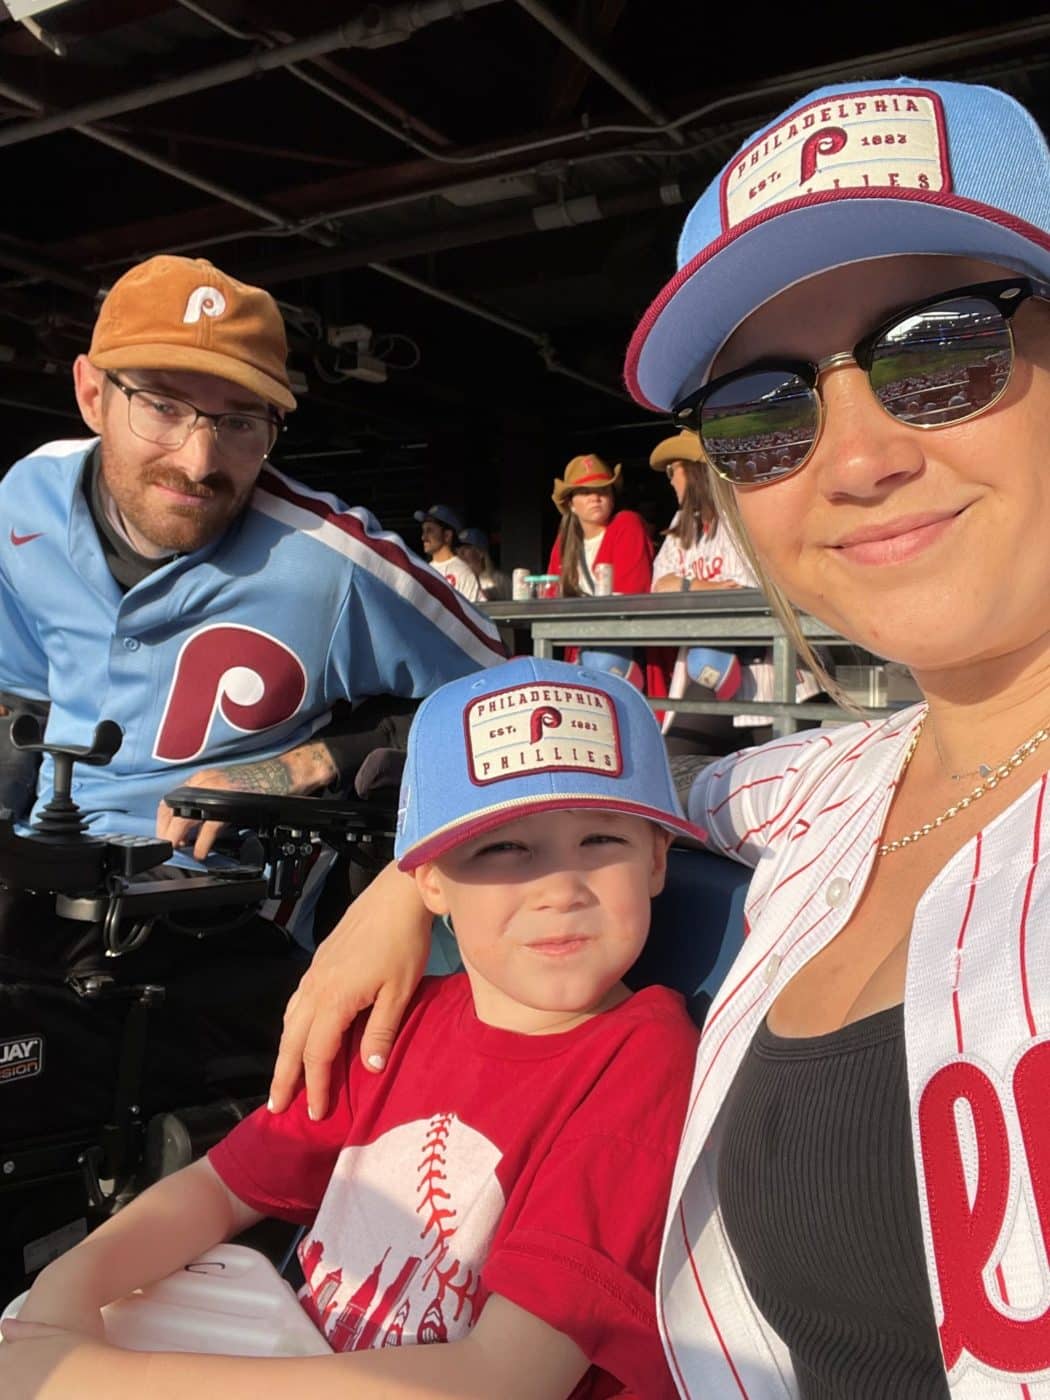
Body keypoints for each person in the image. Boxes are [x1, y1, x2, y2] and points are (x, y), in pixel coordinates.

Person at [261, 75, 1050, 1397]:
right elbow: (624, 786)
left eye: (937, 347)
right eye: (759, 410)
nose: (850, 460)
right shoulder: (818, 783)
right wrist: (408, 885)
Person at [0, 656, 702, 1400]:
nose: (560, 888)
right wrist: (62, 1294)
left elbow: (506, 1377)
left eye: (602, 841)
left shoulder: (641, 1059)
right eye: (503, 848)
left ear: (657, 858)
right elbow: (221, 1187)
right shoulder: (398, 1023)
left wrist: (102, 1379)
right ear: (426, 879)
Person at [0, 255, 503, 942]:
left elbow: (507, 700)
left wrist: (300, 765)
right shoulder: (23, 499)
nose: (199, 460)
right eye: (163, 405)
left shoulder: (334, 564)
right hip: (37, 875)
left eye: (240, 422)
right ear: (92, 395)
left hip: (214, 919)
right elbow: (21, 701)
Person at [649, 430, 823, 751]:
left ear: (694, 470)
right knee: (675, 756)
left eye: (674, 470)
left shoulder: (743, 512)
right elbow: (659, 586)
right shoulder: (683, 522)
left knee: (779, 779)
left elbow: (748, 590)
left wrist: (688, 586)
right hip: (710, 670)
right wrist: (701, 586)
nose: (671, 480)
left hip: (775, 671)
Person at [547, 454, 654, 598]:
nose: (595, 498)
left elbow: (631, 594)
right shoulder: (564, 541)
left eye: (603, 490)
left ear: (612, 499)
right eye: (585, 492)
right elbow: (551, 595)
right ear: (571, 504)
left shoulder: (627, 524)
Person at [414, 502, 483, 602]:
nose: (423, 537)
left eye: (430, 531)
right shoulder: (423, 571)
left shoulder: (463, 573)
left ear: (447, 535)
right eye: (423, 531)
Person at [457, 525, 511, 600]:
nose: (460, 553)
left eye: (466, 548)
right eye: (458, 548)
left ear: (480, 552)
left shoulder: (500, 580)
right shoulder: (456, 579)